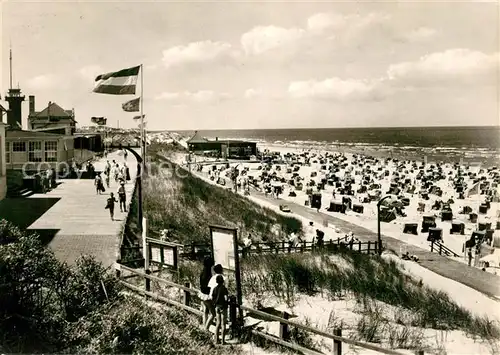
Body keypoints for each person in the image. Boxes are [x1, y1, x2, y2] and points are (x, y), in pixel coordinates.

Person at [199, 257, 215, 330]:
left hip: (202, 294)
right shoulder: (209, 275)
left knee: (205, 312)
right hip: (208, 296)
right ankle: (206, 328)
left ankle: (204, 326)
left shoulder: (202, 273)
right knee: (213, 314)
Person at [212, 275, 229, 345]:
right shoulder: (224, 288)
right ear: (222, 281)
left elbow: (213, 298)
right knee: (223, 324)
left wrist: (215, 303)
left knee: (217, 323)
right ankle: (223, 341)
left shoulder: (215, 289)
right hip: (223, 307)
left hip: (217, 307)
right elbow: (226, 298)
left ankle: (216, 340)